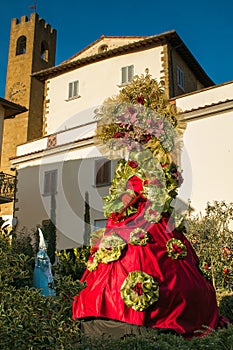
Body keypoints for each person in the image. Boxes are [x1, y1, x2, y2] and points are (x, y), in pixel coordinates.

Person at [72, 72, 227, 338]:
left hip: (149, 220)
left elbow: (160, 187)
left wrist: (135, 192)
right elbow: (126, 188)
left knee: (157, 266)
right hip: (128, 219)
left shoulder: (158, 158)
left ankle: (148, 318)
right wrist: (122, 198)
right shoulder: (132, 161)